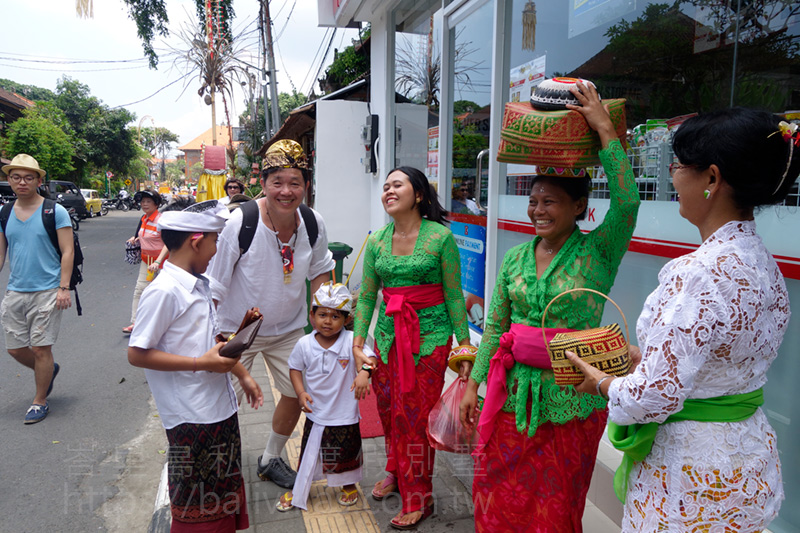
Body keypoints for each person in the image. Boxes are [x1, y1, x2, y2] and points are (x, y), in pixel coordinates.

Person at [566, 108, 799, 532]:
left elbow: (653, 397)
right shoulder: (764, 264)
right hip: (746, 457)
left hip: (690, 470)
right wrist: (644, 359)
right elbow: (721, 363)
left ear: (711, 178)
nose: (672, 177)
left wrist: (601, 381)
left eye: (678, 166)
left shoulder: (698, 272)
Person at [459, 82, 640, 531]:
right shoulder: (516, 257)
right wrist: (472, 386)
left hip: (573, 400)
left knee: (556, 506)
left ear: (579, 206)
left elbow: (629, 202)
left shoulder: (599, 251)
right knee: (496, 493)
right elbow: (497, 323)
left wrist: (603, 131)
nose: (538, 210)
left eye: (551, 202)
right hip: (512, 397)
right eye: (533, 201)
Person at [128, 200, 263, 532]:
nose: (217, 250)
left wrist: (241, 373)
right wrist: (198, 362)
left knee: (220, 496)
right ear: (196, 240)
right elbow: (136, 353)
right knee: (199, 507)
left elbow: (207, 341)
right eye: (215, 241)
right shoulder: (164, 291)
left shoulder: (198, 284)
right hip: (191, 417)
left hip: (216, 409)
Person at [207, 139, 335, 489]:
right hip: (237, 331)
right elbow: (214, 286)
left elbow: (321, 273)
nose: (286, 191)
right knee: (219, 400)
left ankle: (270, 458)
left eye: (295, 182)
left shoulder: (312, 222)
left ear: (306, 186)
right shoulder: (240, 223)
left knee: (299, 393)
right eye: (277, 182)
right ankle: (220, 463)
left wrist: (326, 324)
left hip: (289, 329)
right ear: (262, 184)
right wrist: (211, 338)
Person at [352, 166, 470, 530]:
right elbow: (369, 294)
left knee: (416, 418)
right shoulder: (376, 241)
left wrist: (465, 345)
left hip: (430, 340)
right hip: (387, 338)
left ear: (418, 195)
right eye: (385, 186)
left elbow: (453, 293)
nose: (388, 190)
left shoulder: (440, 238)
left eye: (396, 184)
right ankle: (394, 468)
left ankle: (419, 496)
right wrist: (358, 340)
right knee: (388, 410)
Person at [275, 282, 377, 512]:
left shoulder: (352, 342)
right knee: (311, 450)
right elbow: (294, 368)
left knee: (347, 450)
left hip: (345, 412)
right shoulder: (304, 344)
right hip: (317, 411)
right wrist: (300, 392)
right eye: (322, 315)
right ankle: (302, 484)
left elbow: (370, 359)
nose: (328, 321)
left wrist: (364, 373)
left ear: (346, 319)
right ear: (312, 315)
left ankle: (348, 484)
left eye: (335, 316)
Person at [0, 154, 73, 424]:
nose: (22, 182)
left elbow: (68, 251)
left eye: (28, 177)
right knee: (16, 349)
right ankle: (48, 370)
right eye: (16, 177)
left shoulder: (54, 210)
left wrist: (63, 287)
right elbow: (1, 254)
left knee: (41, 348)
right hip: (16, 290)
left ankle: (39, 400)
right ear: (8, 180)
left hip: (48, 290)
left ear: (38, 181)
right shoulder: (5, 212)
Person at [123, 189, 168, 334]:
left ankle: (163, 324)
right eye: (143, 201)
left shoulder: (161, 221)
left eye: (148, 201)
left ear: (156, 204)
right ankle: (136, 323)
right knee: (140, 290)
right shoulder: (143, 219)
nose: (145, 204)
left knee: (162, 293)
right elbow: (141, 234)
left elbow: (168, 243)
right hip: (147, 261)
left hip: (162, 263)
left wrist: (159, 261)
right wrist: (134, 238)